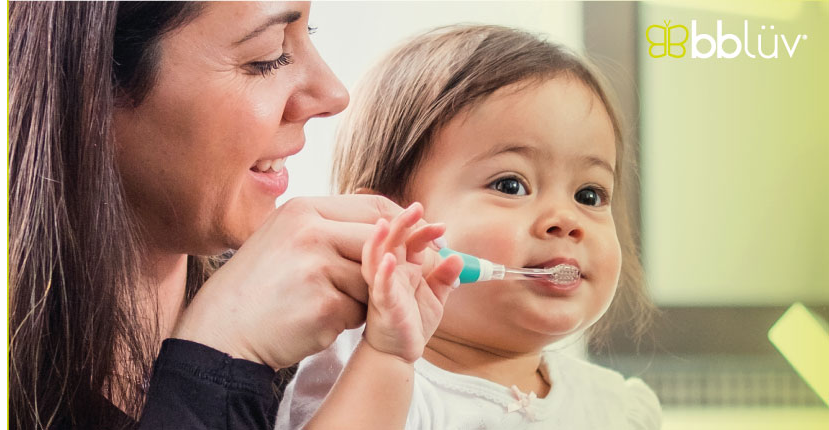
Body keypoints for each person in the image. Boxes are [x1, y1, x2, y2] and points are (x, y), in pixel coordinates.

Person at [7, 2, 461, 428]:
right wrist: (217, 362)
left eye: (309, 32)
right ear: (89, 89)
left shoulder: (324, 354)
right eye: (268, 57)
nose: (334, 93)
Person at [277, 24, 662, 429]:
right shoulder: (365, 383)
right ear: (386, 222)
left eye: (589, 195)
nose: (567, 221)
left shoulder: (619, 410)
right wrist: (388, 355)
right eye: (510, 185)